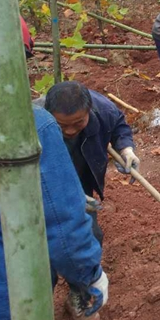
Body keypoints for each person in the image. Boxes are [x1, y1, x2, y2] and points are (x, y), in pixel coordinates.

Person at [0, 107, 108, 320]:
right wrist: (91, 274)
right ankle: (80, 294)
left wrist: (127, 148)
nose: (71, 130)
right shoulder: (28, 122)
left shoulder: (105, 113)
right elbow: (65, 229)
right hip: (7, 295)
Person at [41, 81, 139, 244]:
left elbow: (118, 126)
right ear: (48, 114)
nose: (70, 130)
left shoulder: (103, 110)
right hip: (46, 185)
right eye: (62, 125)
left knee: (89, 236)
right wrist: (66, 194)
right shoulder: (34, 124)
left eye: (78, 122)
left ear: (89, 111)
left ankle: (89, 268)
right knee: (50, 237)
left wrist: (126, 149)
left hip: (81, 174)